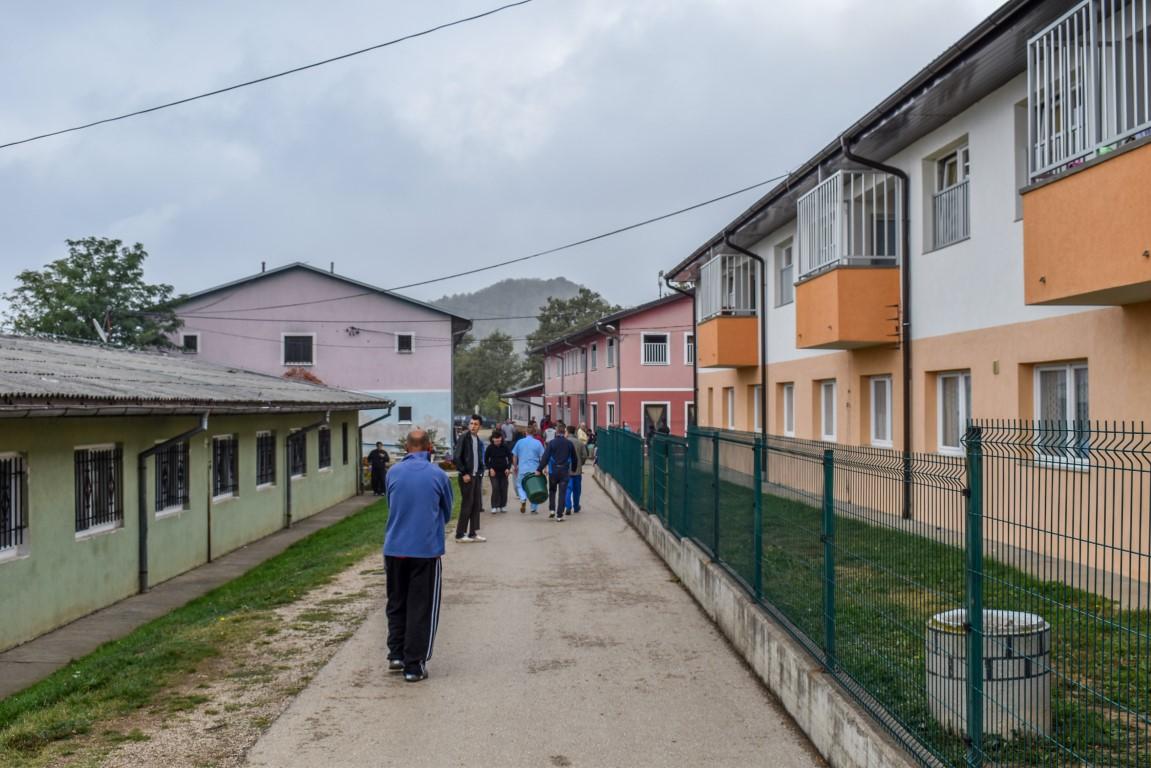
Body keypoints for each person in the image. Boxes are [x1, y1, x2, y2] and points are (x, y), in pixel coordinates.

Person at [383, 429, 453, 683]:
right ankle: (414, 664)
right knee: (421, 606)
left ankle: (396, 653)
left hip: (394, 548)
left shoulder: (393, 472)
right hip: (425, 550)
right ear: (429, 447)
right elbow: (446, 511)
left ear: (406, 447)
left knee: (396, 601)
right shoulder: (438, 475)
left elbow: (391, 505)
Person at [451, 415, 486, 542]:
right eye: (471, 423)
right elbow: (456, 457)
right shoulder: (464, 438)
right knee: (467, 504)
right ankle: (460, 534)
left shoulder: (477, 439)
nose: (473, 426)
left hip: (476, 476)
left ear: (479, 426)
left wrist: (481, 471)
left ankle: (473, 533)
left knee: (476, 504)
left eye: (476, 424)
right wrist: (464, 472)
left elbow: (478, 458)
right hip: (466, 476)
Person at [539, 421, 578, 521]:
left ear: (556, 432)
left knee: (552, 490)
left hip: (553, 471)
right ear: (564, 432)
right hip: (564, 471)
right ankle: (559, 515)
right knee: (562, 493)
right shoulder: (569, 443)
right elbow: (574, 458)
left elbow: (545, 457)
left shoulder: (552, 443)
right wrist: (573, 469)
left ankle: (552, 509)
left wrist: (539, 469)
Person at [512, 423, 546, 514]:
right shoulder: (538, 443)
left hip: (522, 468)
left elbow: (514, 456)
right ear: (534, 433)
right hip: (534, 469)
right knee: (535, 488)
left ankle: (523, 498)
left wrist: (515, 466)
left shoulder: (519, 442)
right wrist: (544, 468)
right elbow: (543, 457)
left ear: (525, 433)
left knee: (519, 485)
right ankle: (533, 508)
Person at [485, 428, 513, 513]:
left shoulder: (505, 446)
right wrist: (490, 468)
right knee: (496, 488)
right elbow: (486, 460)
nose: (497, 442)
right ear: (493, 439)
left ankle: (503, 505)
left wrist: (508, 468)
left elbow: (510, 458)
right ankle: (494, 506)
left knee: (503, 488)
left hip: (504, 471)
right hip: (493, 471)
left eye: (499, 440)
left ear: (501, 439)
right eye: (495, 440)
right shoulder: (489, 448)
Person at [564, 424, 589, 515]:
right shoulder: (579, 442)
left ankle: (568, 506)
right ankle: (576, 506)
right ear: (574, 432)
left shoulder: (564, 442)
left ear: (567, 432)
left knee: (568, 488)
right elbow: (585, 455)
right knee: (577, 490)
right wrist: (581, 463)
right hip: (577, 470)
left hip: (566, 470)